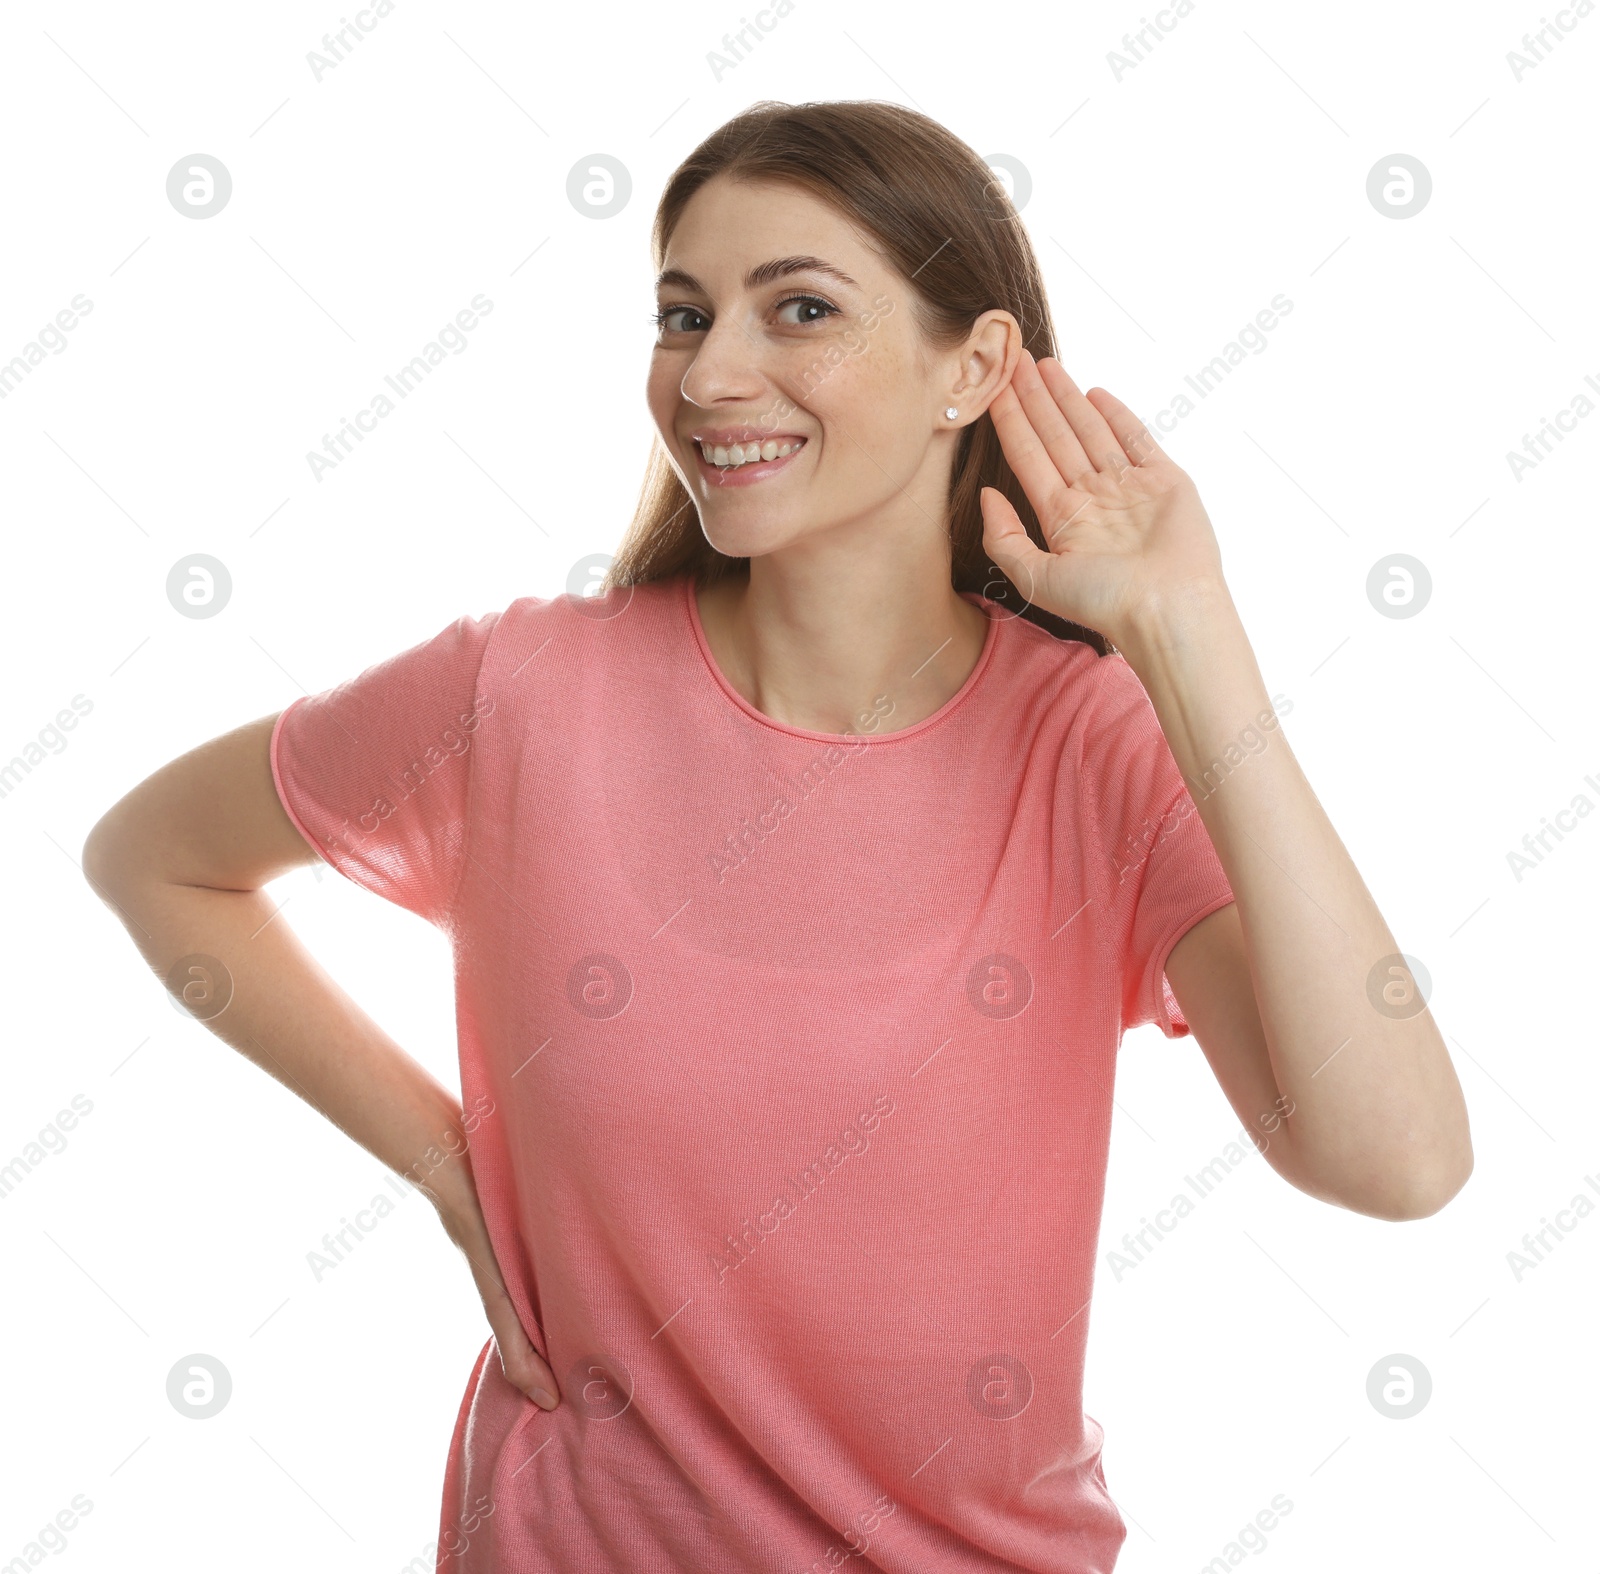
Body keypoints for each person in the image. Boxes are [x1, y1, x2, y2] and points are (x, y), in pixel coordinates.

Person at [83, 99, 1473, 1572]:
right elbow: (153, 857)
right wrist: (446, 1163)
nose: (711, 375)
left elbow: (1400, 1157)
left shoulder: (1090, 745)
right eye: (683, 315)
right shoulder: (520, 695)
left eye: (797, 308)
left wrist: (1193, 642)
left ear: (976, 368)